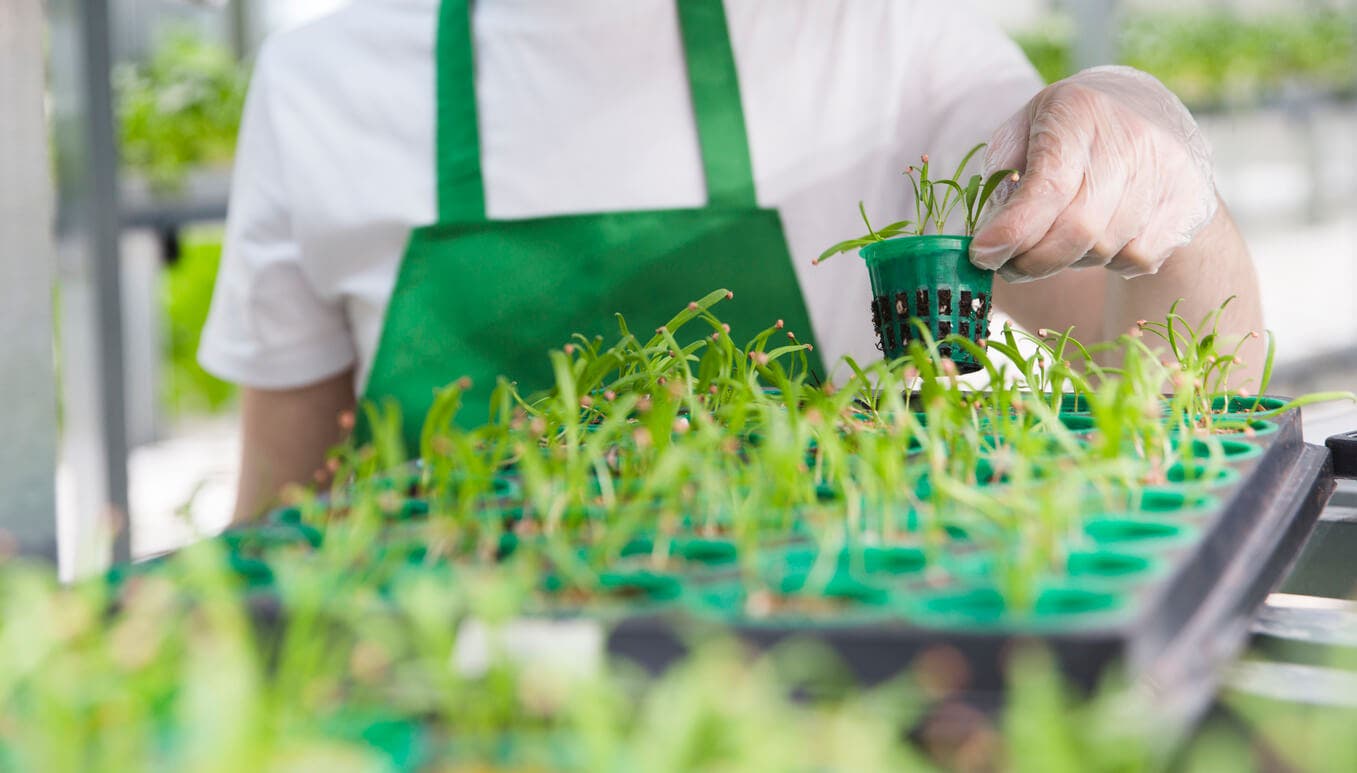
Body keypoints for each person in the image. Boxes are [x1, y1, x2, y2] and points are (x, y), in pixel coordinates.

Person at [200, 0, 1263, 522]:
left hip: (819, 687)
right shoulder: (317, 85)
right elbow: (284, 516)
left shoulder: (875, 34)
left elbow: (1195, 382)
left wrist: (1161, 161)